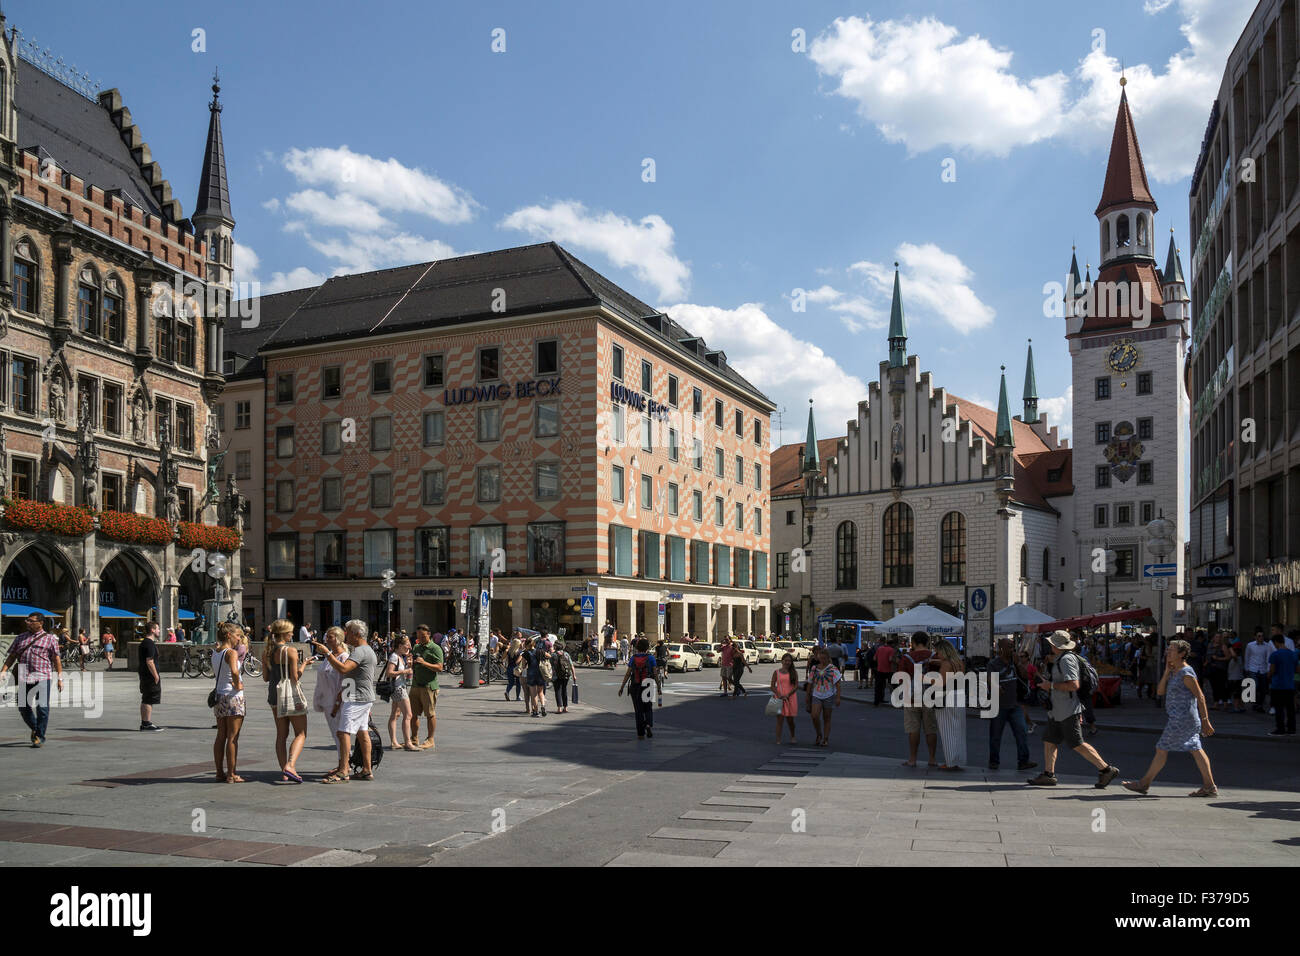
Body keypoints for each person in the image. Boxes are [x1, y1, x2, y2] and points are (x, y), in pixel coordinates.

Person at [1121, 639, 1218, 796]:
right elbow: (1159, 692)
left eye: (1172, 650)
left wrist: (1206, 721)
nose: (1168, 652)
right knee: (1195, 749)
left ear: (1181, 654)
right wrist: (1166, 672)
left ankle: (1143, 783)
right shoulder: (1174, 671)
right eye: (1168, 649)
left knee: (1162, 749)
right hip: (1180, 719)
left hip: (1182, 719)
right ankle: (1209, 786)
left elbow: (1200, 696)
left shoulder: (1186, 673)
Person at [1026, 631, 1119, 788]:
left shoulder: (1066, 660)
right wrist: (1047, 682)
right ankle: (1049, 774)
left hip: (1068, 710)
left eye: (1051, 643)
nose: (1049, 645)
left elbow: (1074, 685)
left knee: (1077, 743)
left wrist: (1051, 686)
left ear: (1055, 645)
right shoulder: (1060, 659)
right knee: (1049, 740)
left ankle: (1106, 769)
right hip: (1058, 710)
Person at [316, 619, 377, 782]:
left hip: (356, 697)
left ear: (357, 634)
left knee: (343, 732)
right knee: (362, 733)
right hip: (363, 696)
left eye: (348, 632)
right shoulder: (367, 650)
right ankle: (367, 769)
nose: (345, 635)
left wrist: (327, 653)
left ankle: (343, 770)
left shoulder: (359, 651)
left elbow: (343, 668)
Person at [0, 613, 62, 747]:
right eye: (27, 620)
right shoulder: (20, 638)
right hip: (24, 676)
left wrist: (60, 678)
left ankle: (39, 736)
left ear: (40, 623)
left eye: (31, 621)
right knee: (23, 707)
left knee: (42, 708)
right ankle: (35, 727)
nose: (28, 622)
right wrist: (3, 671)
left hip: (43, 677)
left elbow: (56, 659)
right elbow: (12, 656)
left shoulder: (50, 639)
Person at [262, 619, 307, 783]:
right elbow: (295, 678)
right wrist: (304, 666)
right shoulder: (290, 651)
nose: (293, 634)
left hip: (274, 696)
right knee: (301, 733)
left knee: (281, 734)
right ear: (284, 634)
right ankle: (290, 765)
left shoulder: (267, 651)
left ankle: (284, 771)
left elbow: (266, 678)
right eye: (291, 632)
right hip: (290, 696)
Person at [987, 639, 1036, 772]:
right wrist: (996, 687)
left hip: (1015, 705)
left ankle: (1023, 761)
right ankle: (994, 761)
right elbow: (990, 680)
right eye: (1009, 647)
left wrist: (1018, 663)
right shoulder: (993, 664)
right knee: (996, 735)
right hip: (999, 705)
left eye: (1012, 647)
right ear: (1001, 648)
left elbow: (1026, 676)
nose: (1011, 650)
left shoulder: (1015, 663)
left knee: (1021, 732)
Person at [210, 621, 246, 783]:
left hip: (219, 696)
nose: (239, 639)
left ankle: (219, 772)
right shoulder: (231, 653)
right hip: (233, 697)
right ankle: (231, 774)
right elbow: (234, 670)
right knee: (233, 737)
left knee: (221, 735)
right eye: (237, 635)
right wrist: (238, 683)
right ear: (229, 635)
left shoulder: (216, 652)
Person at [898, 632, 938, 767]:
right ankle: (932, 758)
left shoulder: (906, 657)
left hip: (911, 695)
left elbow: (900, 677)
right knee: (931, 728)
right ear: (927, 642)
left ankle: (912, 759)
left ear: (913, 643)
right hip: (930, 695)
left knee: (913, 728)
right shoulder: (934, 656)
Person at [933, 637, 966, 771]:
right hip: (959, 696)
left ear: (943, 651)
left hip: (947, 697)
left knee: (947, 730)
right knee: (958, 730)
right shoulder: (958, 662)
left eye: (938, 652)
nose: (937, 655)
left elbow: (941, 683)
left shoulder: (946, 664)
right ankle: (958, 760)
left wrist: (923, 678)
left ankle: (950, 761)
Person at [410, 625, 443, 749]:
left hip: (429, 686)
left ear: (429, 634)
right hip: (415, 685)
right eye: (418, 636)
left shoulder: (435, 648)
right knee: (413, 714)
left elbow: (440, 667)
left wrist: (424, 663)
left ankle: (430, 739)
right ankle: (414, 739)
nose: (420, 638)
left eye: (423, 636)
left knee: (430, 714)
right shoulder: (417, 647)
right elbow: (414, 661)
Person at [312, 626, 348, 740]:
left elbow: (346, 683)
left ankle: (345, 758)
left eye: (330, 637)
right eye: (326, 636)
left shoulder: (344, 657)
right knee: (336, 736)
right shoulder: (329, 656)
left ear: (338, 639)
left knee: (340, 736)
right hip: (328, 702)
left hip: (338, 704)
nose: (326, 639)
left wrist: (337, 705)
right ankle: (343, 757)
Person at [618, 638, 657, 738]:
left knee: (638, 710)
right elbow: (655, 673)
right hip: (648, 684)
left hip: (635, 685)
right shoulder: (651, 658)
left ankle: (640, 734)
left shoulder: (633, 658)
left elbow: (628, 674)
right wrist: (659, 687)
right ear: (647, 647)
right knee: (648, 707)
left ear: (637, 647)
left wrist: (622, 687)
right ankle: (648, 724)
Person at [384, 633, 416, 752]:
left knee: (395, 714)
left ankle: (394, 742)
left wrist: (408, 666)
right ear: (399, 645)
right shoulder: (394, 657)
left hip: (399, 686)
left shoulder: (399, 656)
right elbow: (389, 673)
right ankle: (408, 742)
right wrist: (404, 671)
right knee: (408, 715)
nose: (409, 647)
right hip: (398, 689)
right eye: (407, 645)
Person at [807, 647, 842, 747]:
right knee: (814, 716)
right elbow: (809, 683)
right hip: (816, 694)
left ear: (827, 658)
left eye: (824, 658)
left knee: (827, 718)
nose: (822, 660)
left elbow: (838, 684)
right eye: (820, 658)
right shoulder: (814, 668)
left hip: (829, 695)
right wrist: (807, 696)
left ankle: (825, 738)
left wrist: (838, 697)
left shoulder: (833, 669)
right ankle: (819, 733)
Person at [1267, 633, 1297, 736]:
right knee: (1290, 709)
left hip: (1278, 685)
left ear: (1276, 642)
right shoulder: (1293, 654)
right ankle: (1292, 729)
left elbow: (1272, 670)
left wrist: (1269, 676)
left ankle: (1280, 729)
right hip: (1290, 685)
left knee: (1279, 709)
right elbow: (1297, 669)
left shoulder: (1275, 654)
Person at [137, 622, 163, 732]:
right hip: (150, 676)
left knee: (146, 698)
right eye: (158, 629)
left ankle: (145, 723)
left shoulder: (144, 643)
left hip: (144, 675)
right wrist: (156, 675)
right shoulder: (150, 644)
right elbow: (150, 661)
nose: (159, 631)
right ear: (152, 630)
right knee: (149, 699)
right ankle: (146, 723)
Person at [771, 652, 800, 744]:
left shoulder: (793, 672)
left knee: (790, 720)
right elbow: (772, 686)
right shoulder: (776, 672)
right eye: (786, 660)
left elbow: (796, 686)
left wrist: (788, 694)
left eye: (789, 661)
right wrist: (778, 694)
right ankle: (778, 739)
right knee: (779, 720)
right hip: (779, 697)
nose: (787, 662)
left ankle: (793, 736)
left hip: (790, 698)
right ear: (782, 661)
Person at [1244, 628, 1272, 714]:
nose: (1261, 637)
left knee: (1263, 689)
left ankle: (1259, 704)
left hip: (1263, 669)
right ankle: (1255, 702)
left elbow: (1268, 658)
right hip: (1253, 668)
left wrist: (1268, 669)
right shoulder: (1250, 645)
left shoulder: (1267, 645)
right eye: (1259, 636)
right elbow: (1247, 656)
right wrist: (1246, 668)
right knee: (1255, 686)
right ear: (1255, 637)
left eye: (1262, 636)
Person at [525, 636, 550, 717]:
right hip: (540, 672)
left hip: (531, 673)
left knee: (533, 694)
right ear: (534, 644)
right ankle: (543, 706)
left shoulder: (526, 653)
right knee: (541, 692)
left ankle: (536, 711)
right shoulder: (540, 651)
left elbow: (522, 665)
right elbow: (549, 656)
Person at [552, 640, 575, 713]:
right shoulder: (566, 654)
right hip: (566, 674)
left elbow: (549, 666)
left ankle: (559, 708)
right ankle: (565, 707)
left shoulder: (553, 655)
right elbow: (571, 665)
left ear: (555, 647)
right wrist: (574, 675)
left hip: (556, 675)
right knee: (564, 690)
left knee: (557, 691)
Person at [873, 636, 896, 707]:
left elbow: (874, 658)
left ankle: (877, 701)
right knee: (893, 684)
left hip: (879, 669)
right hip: (888, 670)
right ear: (892, 644)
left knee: (879, 686)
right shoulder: (891, 650)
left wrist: (880, 661)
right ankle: (896, 699)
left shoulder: (879, 649)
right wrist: (896, 661)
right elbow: (890, 659)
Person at [504, 636, 523, 704]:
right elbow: (517, 662)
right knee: (518, 683)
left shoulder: (509, 651)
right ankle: (517, 697)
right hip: (516, 669)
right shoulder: (520, 652)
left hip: (509, 668)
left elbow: (506, 660)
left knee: (511, 683)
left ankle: (507, 691)